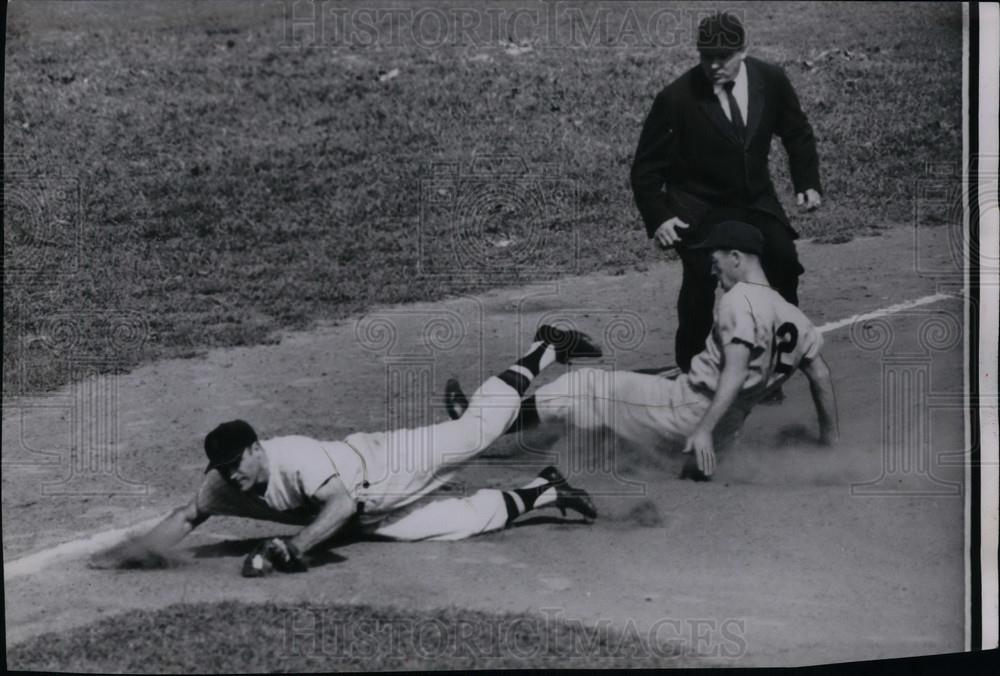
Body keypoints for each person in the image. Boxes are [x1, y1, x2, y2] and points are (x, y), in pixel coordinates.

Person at [90, 326, 602, 577]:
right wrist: (137, 550)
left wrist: (296, 547)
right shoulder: (223, 483)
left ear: (255, 449)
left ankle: (546, 347)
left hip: (388, 464)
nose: (229, 476)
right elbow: (187, 516)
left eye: (233, 464)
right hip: (370, 512)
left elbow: (338, 506)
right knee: (457, 522)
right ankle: (546, 490)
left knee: (475, 431)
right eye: (220, 469)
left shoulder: (295, 459)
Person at [445, 221, 839, 480]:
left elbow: (734, 372)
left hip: (689, 415)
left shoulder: (739, 300)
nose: (712, 270)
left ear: (736, 258)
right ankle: (611, 454)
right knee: (640, 393)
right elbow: (821, 377)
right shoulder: (795, 317)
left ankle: (478, 423)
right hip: (728, 434)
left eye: (716, 261)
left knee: (582, 386)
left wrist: (701, 430)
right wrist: (829, 446)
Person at [630, 11, 823, 387]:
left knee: (783, 263)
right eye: (707, 57)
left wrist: (807, 182)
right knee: (702, 279)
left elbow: (797, 131)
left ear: (743, 51)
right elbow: (645, 168)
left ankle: (774, 364)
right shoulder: (676, 98)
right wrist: (660, 216)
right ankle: (692, 372)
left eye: (724, 56)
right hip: (699, 207)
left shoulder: (771, 79)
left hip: (755, 201)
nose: (715, 65)